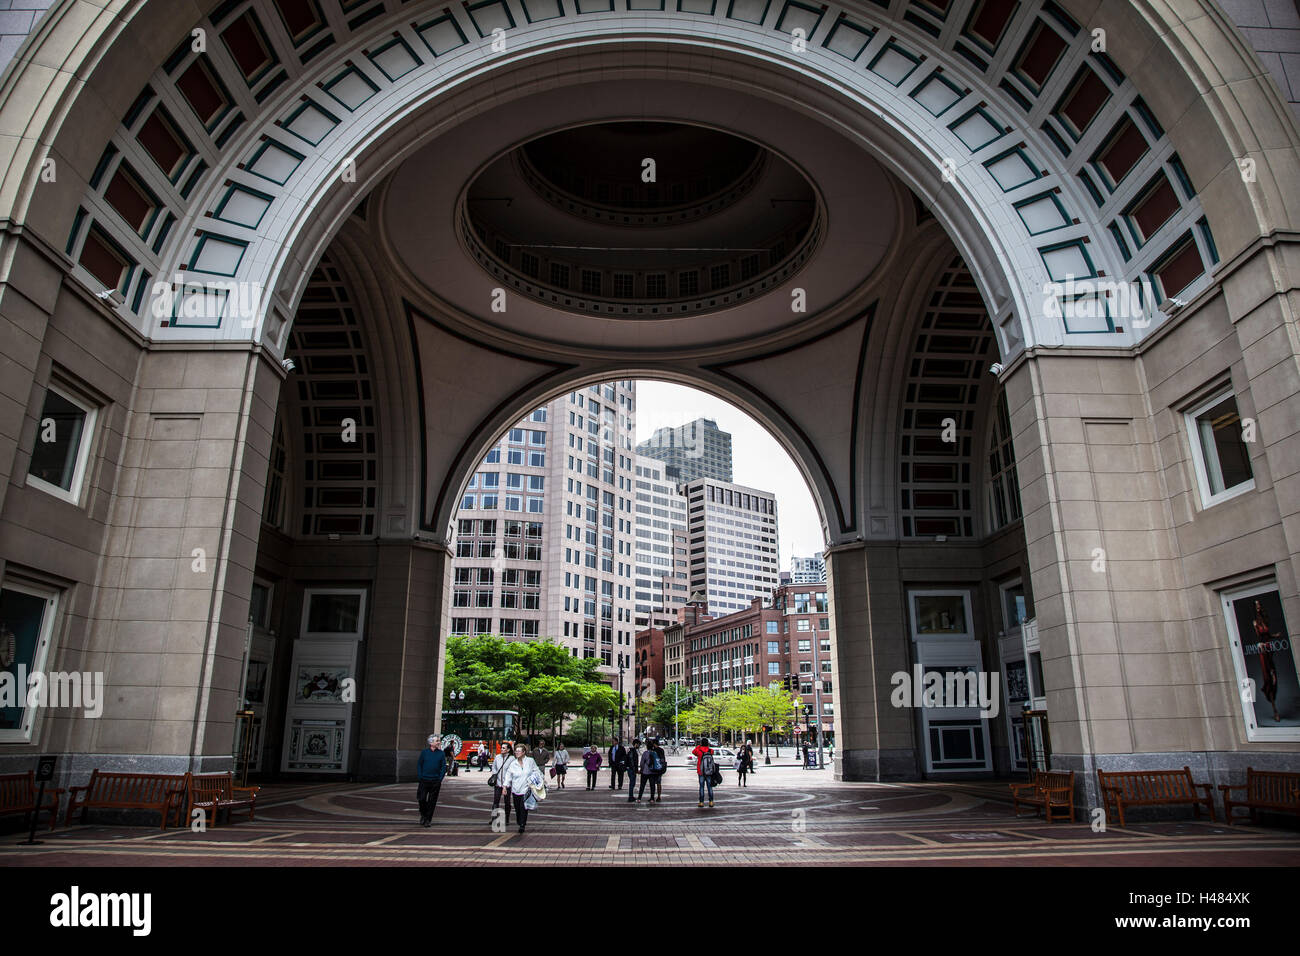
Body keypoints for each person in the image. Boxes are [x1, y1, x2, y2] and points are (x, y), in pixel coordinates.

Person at [499, 741, 544, 835]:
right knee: (517, 808)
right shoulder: (513, 763)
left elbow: (536, 771)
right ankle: (519, 821)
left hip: (526, 789)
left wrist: (539, 780)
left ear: (523, 752)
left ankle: (522, 824)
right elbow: (508, 775)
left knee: (524, 807)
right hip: (516, 789)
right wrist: (505, 786)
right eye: (516, 751)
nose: (517, 753)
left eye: (519, 751)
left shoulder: (530, 761)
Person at [416, 734, 448, 827]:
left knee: (432, 801)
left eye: (439, 740)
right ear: (431, 742)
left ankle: (428, 819)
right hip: (424, 780)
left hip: (435, 781)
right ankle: (423, 814)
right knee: (421, 799)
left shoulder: (441, 753)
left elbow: (443, 767)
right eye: (437, 741)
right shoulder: (424, 752)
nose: (439, 742)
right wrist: (420, 776)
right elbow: (419, 764)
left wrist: (440, 778)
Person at [490, 740, 517, 828]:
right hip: (498, 783)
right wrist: (494, 774)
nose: (501, 749)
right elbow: (494, 767)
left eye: (503, 748)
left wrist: (508, 781)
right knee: (495, 801)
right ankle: (494, 818)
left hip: (507, 784)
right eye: (501, 748)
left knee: (507, 802)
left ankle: (507, 819)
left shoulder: (512, 759)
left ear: (508, 750)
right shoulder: (497, 757)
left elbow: (513, 771)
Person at [637, 736, 665, 803]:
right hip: (653, 771)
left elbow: (642, 763)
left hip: (645, 772)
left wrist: (641, 769)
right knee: (652, 785)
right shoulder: (655, 753)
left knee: (642, 785)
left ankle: (639, 798)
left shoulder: (645, 753)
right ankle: (652, 798)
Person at [693, 736, 716, 808]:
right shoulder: (710, 751)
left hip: (701, 771)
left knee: (701, 786)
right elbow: (713, 752)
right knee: (709, 786)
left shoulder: (699, 750)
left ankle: (701, 802)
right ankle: (711, 801)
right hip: (709, 771)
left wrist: (699, 746)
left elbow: (693, 752)